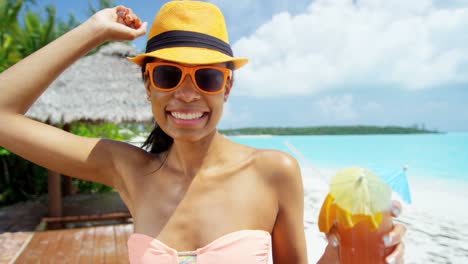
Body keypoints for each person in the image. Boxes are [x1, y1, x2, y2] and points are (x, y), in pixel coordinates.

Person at [0, 1, 405, 263]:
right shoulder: (126, 168)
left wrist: (347, 249)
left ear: (227, 86)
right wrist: (93, 30)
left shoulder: (274, 171)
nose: (187, 94)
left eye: (207, 77)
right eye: (168, 74)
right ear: (147, 85)